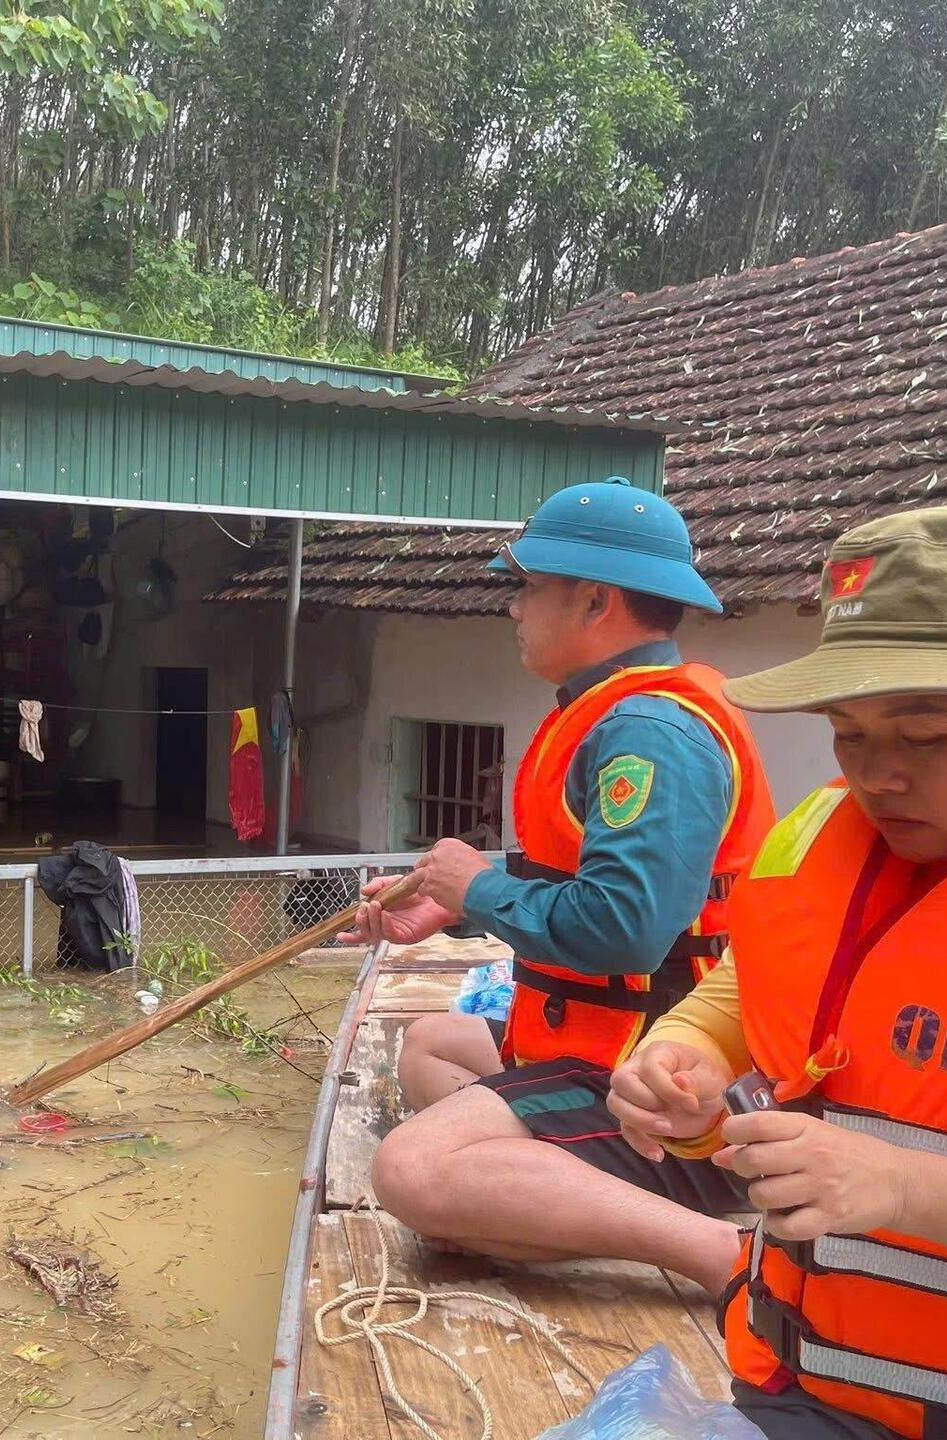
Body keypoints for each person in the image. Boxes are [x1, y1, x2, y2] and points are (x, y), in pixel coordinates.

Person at [607, 501, 947, 1440]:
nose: (876, 776)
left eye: (924, 737)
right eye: (849, 731)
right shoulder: (818, 836)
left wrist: (906, 1186)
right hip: (797, 1391)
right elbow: (750, 983)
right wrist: (683, 1052)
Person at [350, 476, 775, 1291]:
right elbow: (584, 881)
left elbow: (628, 929)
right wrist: (454, 903)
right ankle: (540, 1196)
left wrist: (481, 890)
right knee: (430, 1045)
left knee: (411, 1170)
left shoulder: (648, 734)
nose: (514, 608)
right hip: (591, 1037)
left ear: (594, 603)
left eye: (528, 588)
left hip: (655, 1080)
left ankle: (728, 1259)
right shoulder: (612, 710)